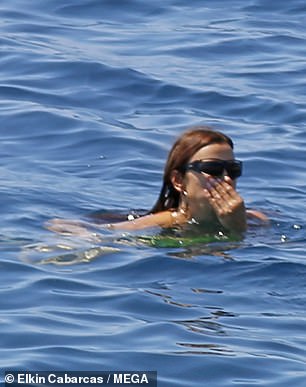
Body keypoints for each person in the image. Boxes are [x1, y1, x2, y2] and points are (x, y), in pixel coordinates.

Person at [48, 126, 267, 238]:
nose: (226, 178)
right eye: (213, 169)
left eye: (233, 170)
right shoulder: (162, 223)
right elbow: (66, 226)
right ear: (179, 181)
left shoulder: (257, 219)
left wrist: (237, 226)